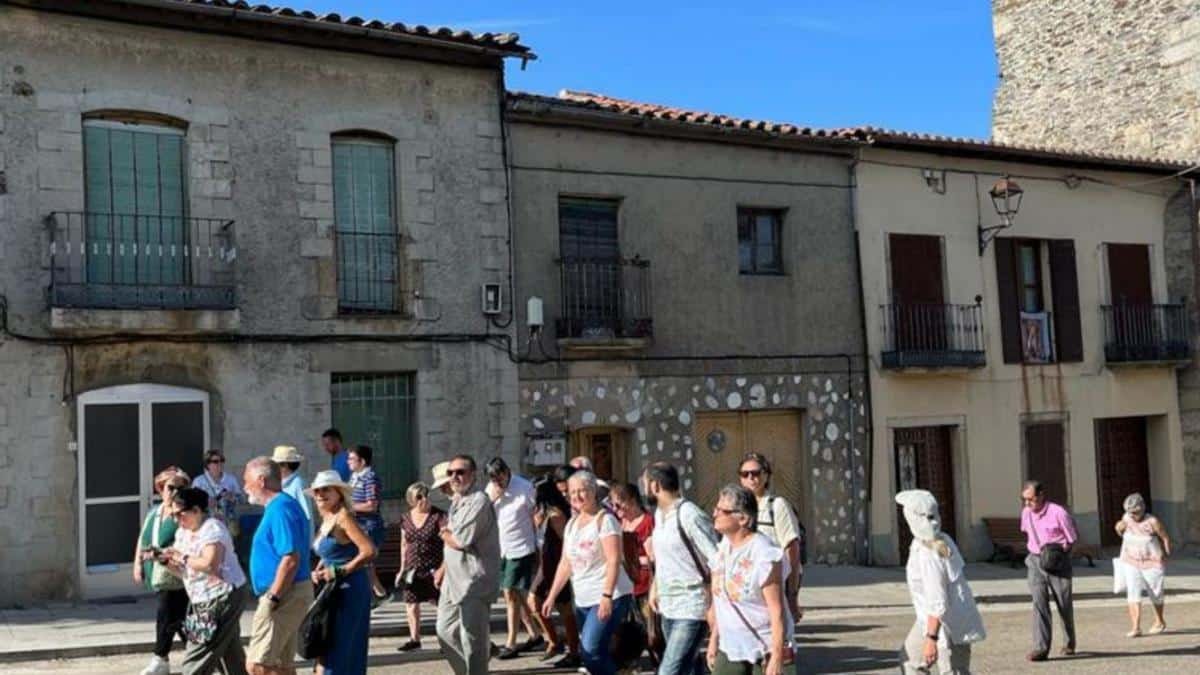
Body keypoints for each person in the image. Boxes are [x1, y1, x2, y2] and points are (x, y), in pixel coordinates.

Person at [542, 470, 635, 675]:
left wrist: (607, 596)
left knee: (590, 651)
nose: (576, 496)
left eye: (581, 491)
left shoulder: (605, 520)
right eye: (572, 492)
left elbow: (613, 560)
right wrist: (551, 596)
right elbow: (566, 563)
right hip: (583, 599)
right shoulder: (572, 524)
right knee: (596, 652)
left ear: (593, 491)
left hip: (610, 595)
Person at [705, 484, 794, 675]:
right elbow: (721, 603)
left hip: (764, 649)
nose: (714, 513)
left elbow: (776, 610)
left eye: (722, 511)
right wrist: (714, 641)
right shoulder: (722, 549)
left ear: (743, 518)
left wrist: (777, 657)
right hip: (730, 648)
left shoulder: (764, 554)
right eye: (716, 508)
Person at [895, 490, 985, 674]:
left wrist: (931, 639)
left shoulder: (930, 553)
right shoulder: (933, 541)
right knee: (910, 660)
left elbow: (938, 601)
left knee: (953, 670)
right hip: (929, 620)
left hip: (947, 625)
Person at [163, 487, 249, 675]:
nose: (177, 520)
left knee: (198, 655)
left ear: (196, 510)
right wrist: (164, 561)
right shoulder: (182, 533)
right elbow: (185, 573)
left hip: (222, 596)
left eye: (181, 514)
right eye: (174, 515)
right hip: (201, 599)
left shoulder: (212, 528)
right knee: (231, 654)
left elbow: (211, 565)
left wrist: (183, 557)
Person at [643, 461, 718, 675]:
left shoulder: (689, 514)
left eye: (645, 484)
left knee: (669, 670)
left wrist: (714, 604)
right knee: (690, 666)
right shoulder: (659, 514)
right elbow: (665, 558)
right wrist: (655, 588)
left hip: (692, 605)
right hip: (668, 605)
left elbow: (716, 559)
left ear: (655, 486)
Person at [242, 456, 313, 675]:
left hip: (284, 594)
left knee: (258, 665)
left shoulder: (281, 508)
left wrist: (273, 596)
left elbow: (290, 558)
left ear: (261, 480)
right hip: (287, 592)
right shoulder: (280, 507)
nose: (245, 487)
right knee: (280, 665)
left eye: (247, 481)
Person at [435, 454, 501, 675]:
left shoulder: (479, 501)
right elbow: (453, 542)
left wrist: (445, 533)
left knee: (473, 639)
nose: (454, 477)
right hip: (453, 579)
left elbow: (461, 540)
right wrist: (443, 568)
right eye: (451, 473)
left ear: (472, 475)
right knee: (444, 631)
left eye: (460, 472)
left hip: (474, 580)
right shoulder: (457, 501)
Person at [308, 470, 378, 674]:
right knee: (327, 645)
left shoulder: (343, 516)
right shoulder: (327, 517)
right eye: (317, 491)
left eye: (326, 489)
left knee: (340, 647)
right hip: (332, 588)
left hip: (349, 588)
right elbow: (332, 550)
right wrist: (320, 568)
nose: (320, 494)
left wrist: (338, 571)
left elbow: (369, 550)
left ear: (339, 492)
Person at [484, 457, 544, 659]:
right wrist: (494, 498)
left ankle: (511, 641)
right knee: (516, 594)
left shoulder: (525, 488)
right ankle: (535, 634)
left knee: (510, 592)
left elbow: (534, 516)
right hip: (501, 548)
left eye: (500, 478)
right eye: (494, 480)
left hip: (521, 547)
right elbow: (485, 514)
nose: (498, 483)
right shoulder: (491, 489)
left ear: (507, 472)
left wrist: (538, 547)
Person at [133, 467, 192, 675]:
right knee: (176, 619)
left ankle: (161, 658)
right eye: (170, 487)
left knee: (166, 614)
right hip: (157, 572)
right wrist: (138, 565)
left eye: (180, 487)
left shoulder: (184, 514)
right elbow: (143, 539)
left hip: (175, 574)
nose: (174, 491)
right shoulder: (154, 513)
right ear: (160, 488)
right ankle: (197, 653)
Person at [738, 452, 803, 619]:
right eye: (745, 474)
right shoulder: (738, 509)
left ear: (766, 476)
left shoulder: (777, 505)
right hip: (747, 585)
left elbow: (792, 549)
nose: (751, 478)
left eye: (756, 473)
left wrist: (792, 595)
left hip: (775, 582)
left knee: (776, 631)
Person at [1019, 480, 1078, 662]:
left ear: (1041, 495)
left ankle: (1069, 642)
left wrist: (1057, 555)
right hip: (1035, 561)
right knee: (1039, 603)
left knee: (1064, 604)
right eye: (1024, 500)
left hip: (1057, 563)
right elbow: (1026, 532)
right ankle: (1041, 648)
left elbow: (1072, 538)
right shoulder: (1026, 513)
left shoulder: (1058, 512)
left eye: (1031, 499)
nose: (1027, 503)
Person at [527, 477, 581, 668]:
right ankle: (554, 640)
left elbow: (566, 543)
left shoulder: (556, 515)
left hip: (557, 566)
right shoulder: (539, 512)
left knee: (564, 608)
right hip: (544, 566)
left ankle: (573, 650)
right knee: (533, 602)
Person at [396, 479, 447, 652]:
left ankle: (445, 641)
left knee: (441, 605)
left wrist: (444, 568)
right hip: (413, 568)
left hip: (434, 567)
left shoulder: (438, 516)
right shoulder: (405, 518)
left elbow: (447, 542)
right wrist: (402, 569)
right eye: (419, 496)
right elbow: (404, 544)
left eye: (425, 495)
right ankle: (414, 639)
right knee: (411, 604)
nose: (423, 499)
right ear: (411, 499)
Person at [612, 481, 657, 663]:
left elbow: (653, 557)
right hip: (625, 586)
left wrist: (631, 560)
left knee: (651, 631)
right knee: (626, 632)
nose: (615, 509)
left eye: (618, 504)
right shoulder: (621, 523)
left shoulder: (647, 523)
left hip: (644, 586)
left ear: (631, 500)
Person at [1115, 492, 1171, 637]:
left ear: (1142, 509)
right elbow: (1121, 531)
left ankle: (1159, 621)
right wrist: (1118, 528)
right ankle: (1135, 627)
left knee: (1156, 593)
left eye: (1135, 512)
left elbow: (1164, 537)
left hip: (1152, 561)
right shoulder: (1126, 518)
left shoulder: (1152, 521)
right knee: (1133, 593)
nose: (1132, 515)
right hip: (1131, 560)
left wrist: (1167, 552)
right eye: (1129, 512)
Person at [347, 445, 388, 603]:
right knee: (364, 564)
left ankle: (377, 595)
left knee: (365, 562)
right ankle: (378, 594)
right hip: (357, 524)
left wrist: (349, 507)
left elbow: (372, 505)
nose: (348, 462)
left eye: (351, 459)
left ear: (362, 461)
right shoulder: (354, 477)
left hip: (368, 525)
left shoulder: (370, 477)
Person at [193, 450, 244, 538]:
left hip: (228, 526)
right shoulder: (199, 481)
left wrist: (232, 497)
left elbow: (242, 500)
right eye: (216, 461)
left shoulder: (230, 479)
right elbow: (192, 503)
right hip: (207, 525)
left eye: (222, 460)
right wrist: (205, 503)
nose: (220, 464)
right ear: (208, 464)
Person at [272, 445, 314, 536]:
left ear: (285, 466)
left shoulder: (298, 484)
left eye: (276, 465)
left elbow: (306, 516)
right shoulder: (281, 484)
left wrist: (307, 545)